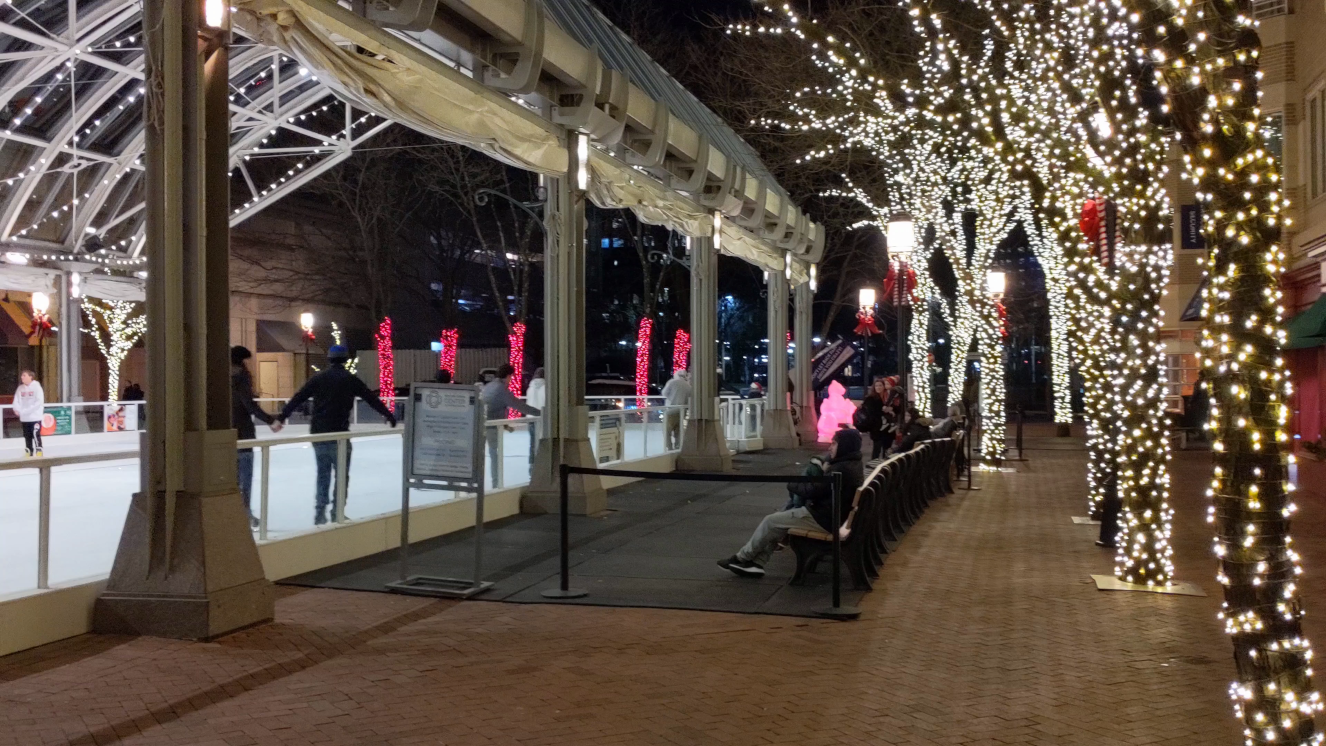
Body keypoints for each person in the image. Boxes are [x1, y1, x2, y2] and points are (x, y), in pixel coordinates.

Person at [719, 429, 864, 576]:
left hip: (823, 519)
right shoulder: (851, 464)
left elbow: (811, 491)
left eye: (834, 444)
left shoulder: (840, 470)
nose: (829, 447)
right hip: (832, 515)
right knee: (781, 519)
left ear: (844, 446)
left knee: (771, 521)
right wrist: (828, 463)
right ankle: (756, 563)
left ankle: (741, 558)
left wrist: (792, 484)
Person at [278, 345, 396, 525]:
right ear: (346, 360)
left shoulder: (318, 379)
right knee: (342, 475)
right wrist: (388, 415)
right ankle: (337, 511)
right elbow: (371, 399)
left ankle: (320, 512)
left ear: (329, 359)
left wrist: (281, 417)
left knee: (323, 473)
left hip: (319, 433)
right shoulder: (350, 380)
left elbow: (298, 397)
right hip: (340, 433)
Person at [232, 346, 282, 528]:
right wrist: (271, 421)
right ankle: (244, 515)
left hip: (224, 436)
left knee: (232, 480)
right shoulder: (241, 378)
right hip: (244, 436)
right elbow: (249, 405)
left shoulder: (220, 378)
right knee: (245, 479)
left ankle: (233, 515)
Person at [479, 364, 540, 486]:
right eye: (511, 376)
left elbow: (492, 406)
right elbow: (520, 406)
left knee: (482, 455)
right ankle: (496, 484)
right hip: (492, 427)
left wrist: (505, 425)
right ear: (507, 376)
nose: (511, 379)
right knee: (494, 454)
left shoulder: (489, 386)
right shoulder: (501, 390)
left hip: (481, 424)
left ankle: (478, 483)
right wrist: (541, 413)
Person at [854, 379, 891, 459]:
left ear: (884, 387)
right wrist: (883, 410)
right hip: (876, 427)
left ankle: (882, 464)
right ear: (874, 387)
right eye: (877, 386)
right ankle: (873, 465)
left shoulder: (884, 397)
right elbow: (872, 413)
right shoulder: (871, 398)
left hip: (884, 427)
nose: (878, 387)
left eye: (880, 385)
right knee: (877, 448)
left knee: (885, 447)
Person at [14, 369, 44, 457]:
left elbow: (38, 402)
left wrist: (26, 411)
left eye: (24, 375)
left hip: (35, 417)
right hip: (24, 418)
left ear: (30, 377)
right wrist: (17, 409)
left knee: (35, 434)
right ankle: (28, 451)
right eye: (22, 375)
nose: (22, 377)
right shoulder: (20, 388)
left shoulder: (37, 387)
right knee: (27, 435)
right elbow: (16, 400)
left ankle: (39, 451)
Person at [660, 369, 692, 450]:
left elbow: (664, 393)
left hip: (671, 410)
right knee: (678, 432)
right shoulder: (688, 386)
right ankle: (678, 447)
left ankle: (669, 447)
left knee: (667, 431)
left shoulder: (672, 382)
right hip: (682, 412)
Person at [525, 367, 546, 465]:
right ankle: (541, 463)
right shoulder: (546, 387)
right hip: (542, 417)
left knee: (532, 442)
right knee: (543, 441)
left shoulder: (530, 387)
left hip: (531, 418)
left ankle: (532, 462)